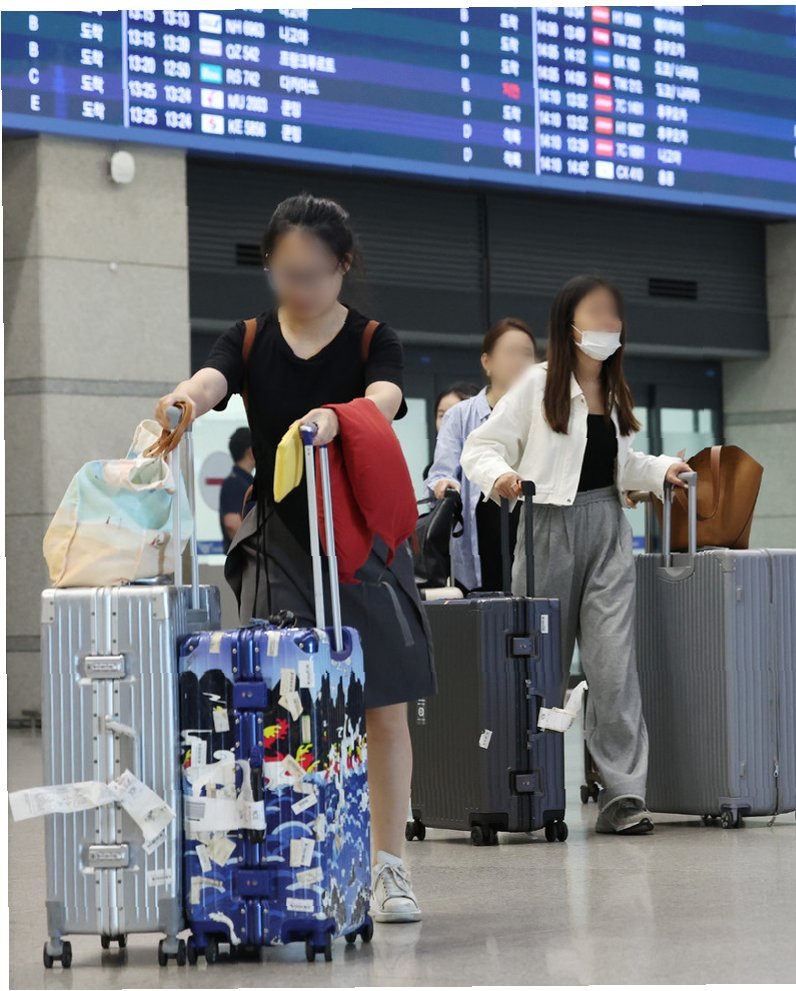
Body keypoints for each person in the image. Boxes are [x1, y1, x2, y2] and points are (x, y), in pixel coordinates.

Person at [155, 192, 435, 922]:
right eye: (284, 273)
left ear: (342, 266)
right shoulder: (249, 337)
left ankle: (389, 866)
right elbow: (212, 381)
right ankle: (290, 853)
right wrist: (185, 400)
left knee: (382, 705)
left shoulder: (372, 338)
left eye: (311, 274)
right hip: (279, 541)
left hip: (360, 537)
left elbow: (384, 396)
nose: (298, 288)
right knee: (281, 703)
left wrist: (339, 418)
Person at [459, 274, 688, 836]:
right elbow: (480, 447)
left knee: (614, 668)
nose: (608, 325)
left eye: (614, 315)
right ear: (569, 325)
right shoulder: (538, 385)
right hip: (546, 526)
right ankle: (528, 788)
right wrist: (503, 477)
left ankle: (623, 795)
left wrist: (661, 470)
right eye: (595, 314)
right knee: (539, 669)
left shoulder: (615, 390)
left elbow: (621, 465)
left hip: (607, 525)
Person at [426, 317, 538, 591]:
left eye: (526, 354)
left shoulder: (544, 414)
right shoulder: (460, 416)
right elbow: (440, 473)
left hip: (530, 532)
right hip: (477, 537)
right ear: (487, 362)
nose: (519, 362)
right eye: (510, 352)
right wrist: (443, 484)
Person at [219, 427, 255, 554]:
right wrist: (255, 551)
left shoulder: (247, 482)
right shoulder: (234, 483)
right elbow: (232, 524)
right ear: (250, 452)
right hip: (245, 559)